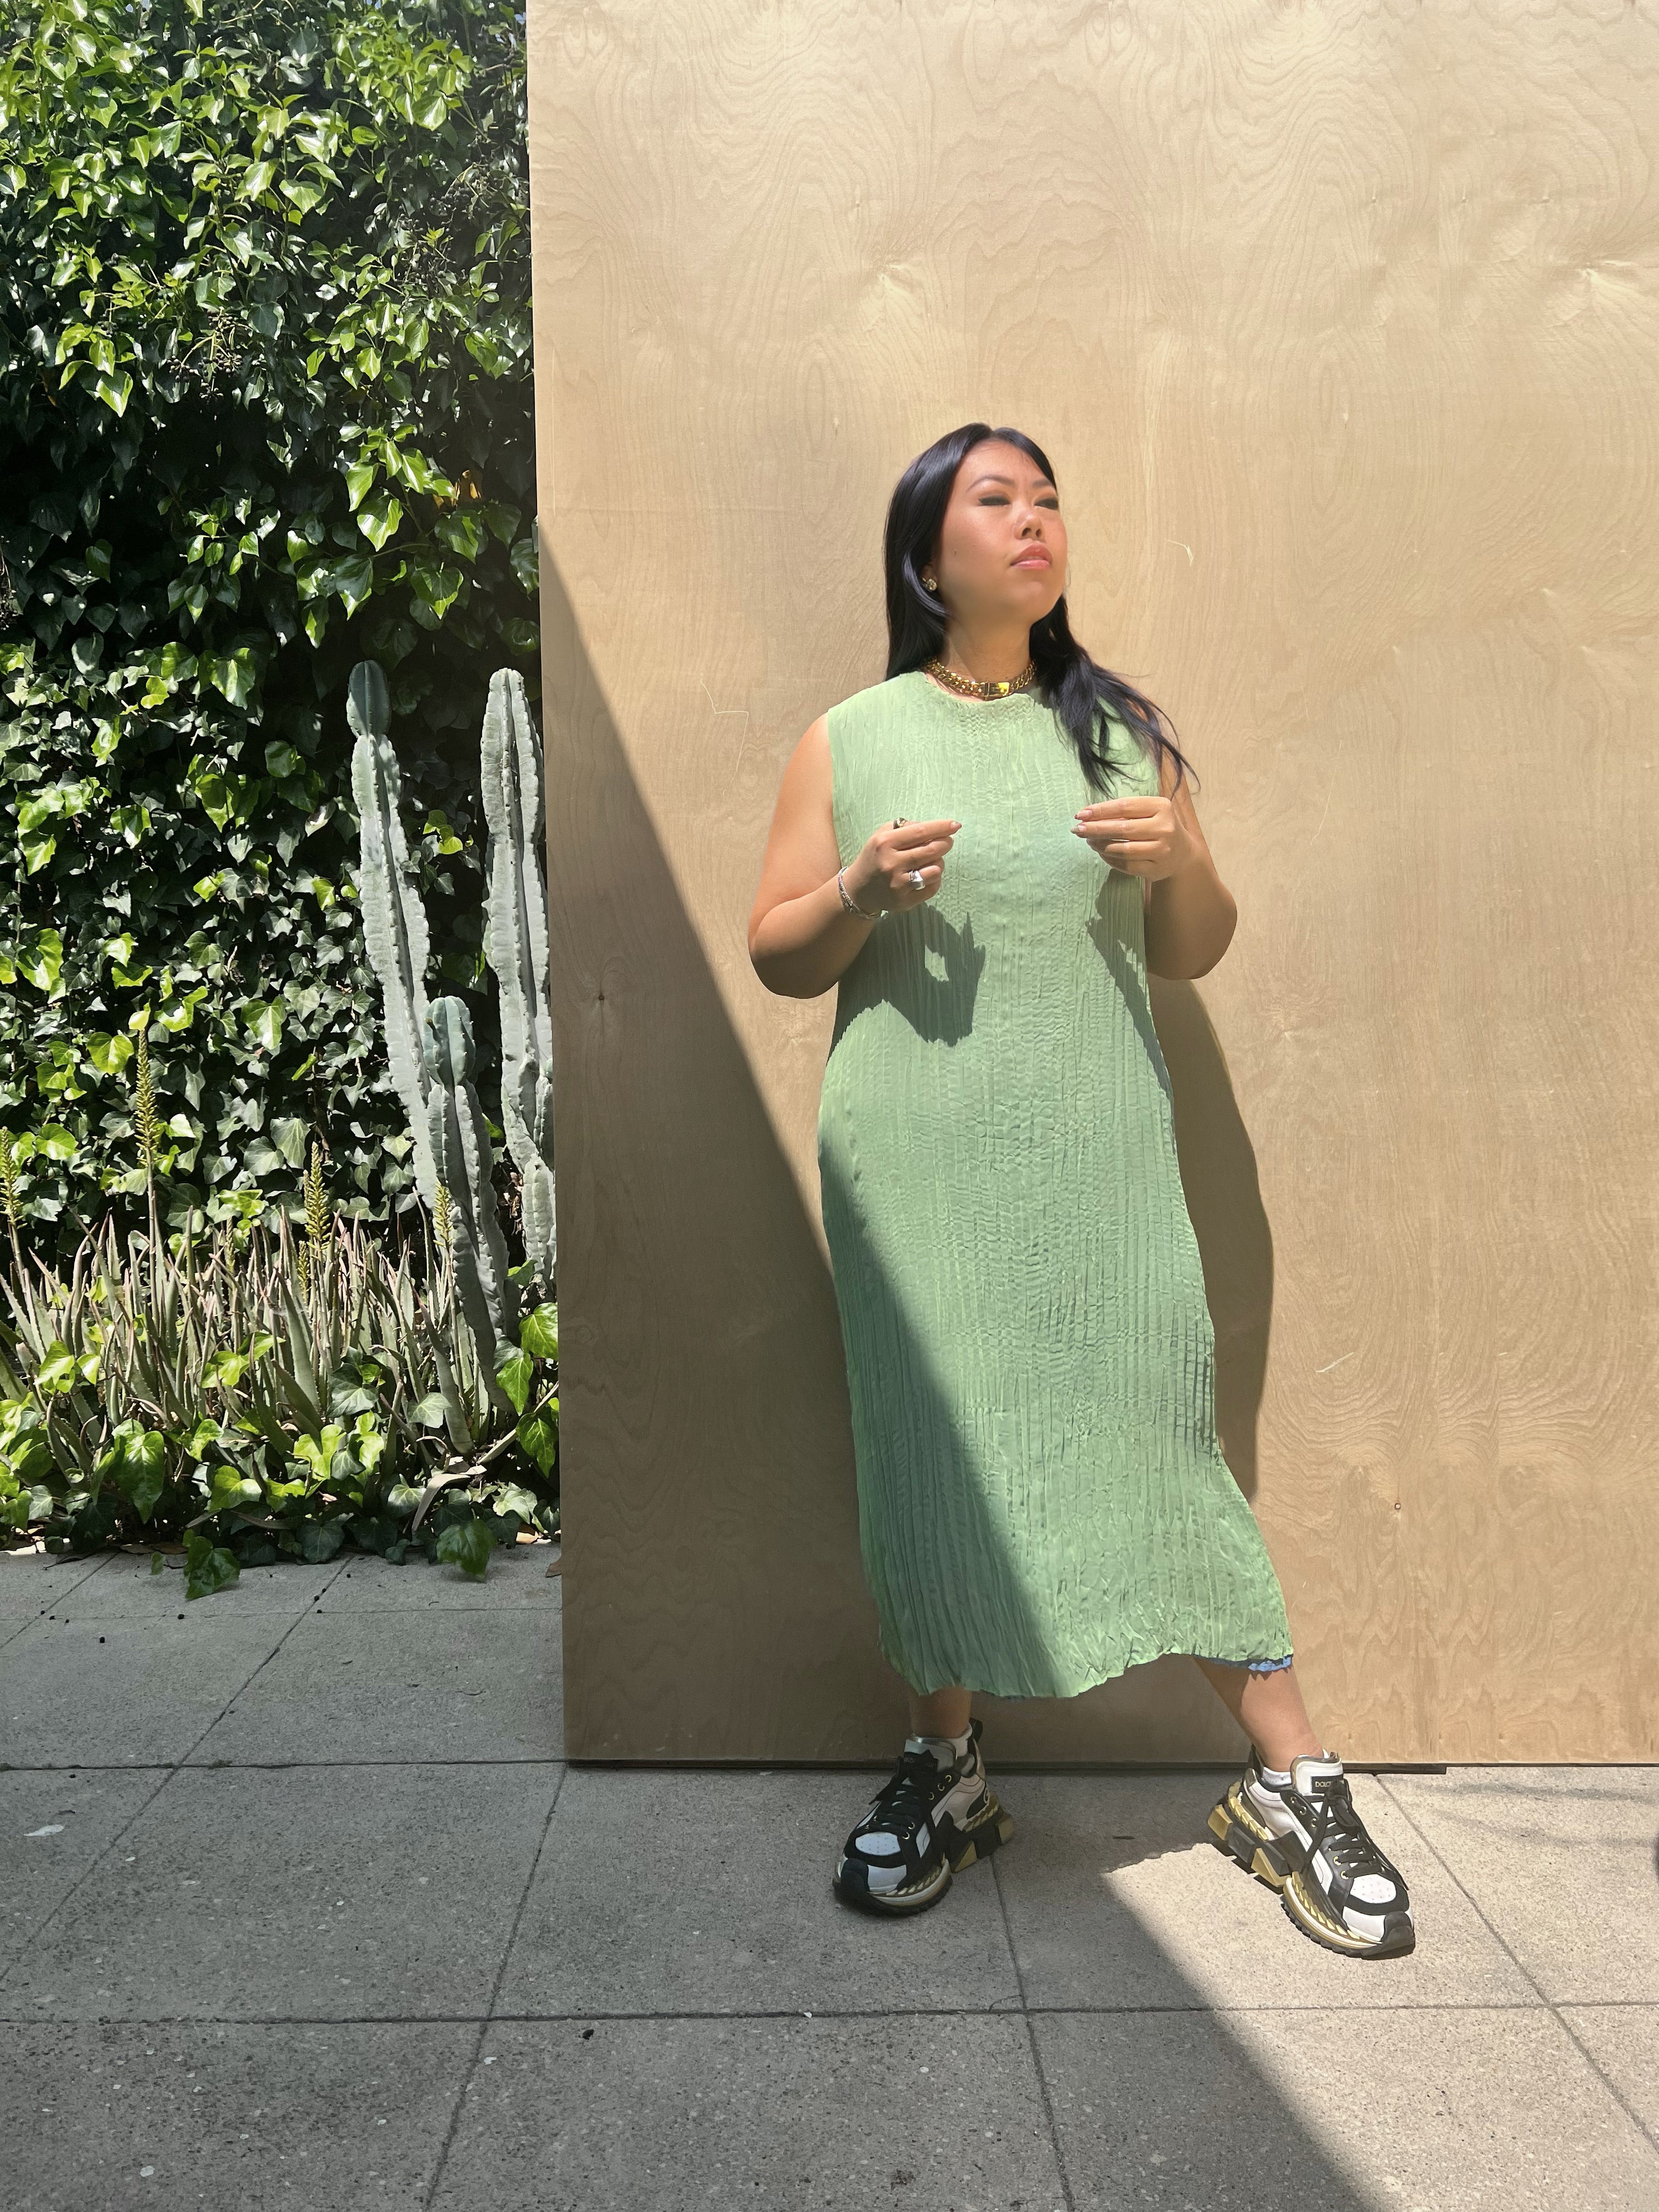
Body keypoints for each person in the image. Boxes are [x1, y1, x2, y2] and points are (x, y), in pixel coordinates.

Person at [746, 422, 1413, 1960]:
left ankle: (1294, 1780)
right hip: (913, 1172)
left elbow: (1193, 947)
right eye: (999, 500)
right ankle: (949, 1764)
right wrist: (857, 889)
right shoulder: (850, 739)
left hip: (1103, 1169)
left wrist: (1180, 856)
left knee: (1161, 1439)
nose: (1036, 520)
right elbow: (779, 954)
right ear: (931, 556)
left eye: (1049, 499)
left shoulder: (1116, 730)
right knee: (933, 1455)